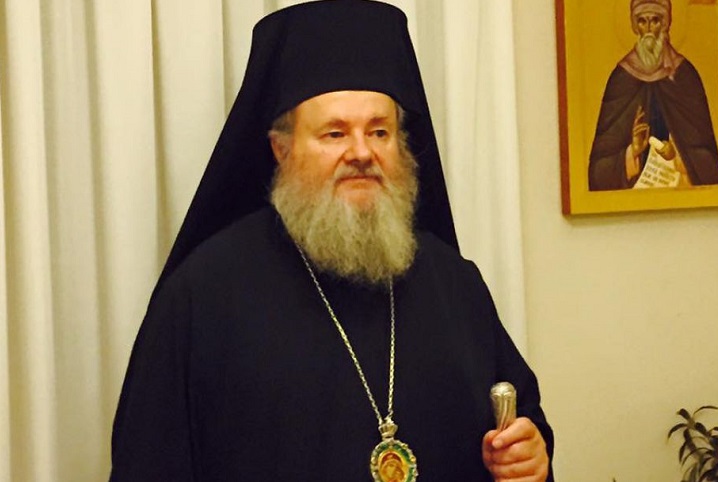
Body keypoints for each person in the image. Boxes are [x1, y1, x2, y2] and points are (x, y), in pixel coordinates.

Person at [110, 1, 554, 480]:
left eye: (379, 132)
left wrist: (529, 455)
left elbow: (520, 421)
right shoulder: (203, 296)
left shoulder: (454, 284)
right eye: (335, 133)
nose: (361, 152)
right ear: (282, 149)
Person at [588, 0, 718, 191]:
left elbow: (708, 161)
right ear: (635, 26)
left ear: (665, 23)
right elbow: (598, 170)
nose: (649, 28)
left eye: (655, 20)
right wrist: (632, 152)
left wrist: (677, 155)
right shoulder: (621, 78)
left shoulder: (684, 75)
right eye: (642, 21)